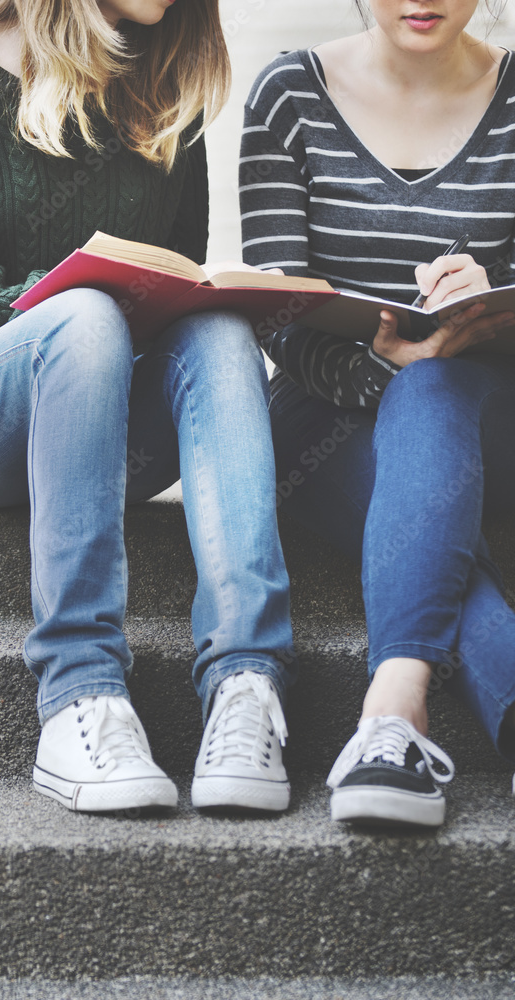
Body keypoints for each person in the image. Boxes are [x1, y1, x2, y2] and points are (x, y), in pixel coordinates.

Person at [0, 0, 296, 814]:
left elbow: (181, 275)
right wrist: (83, 296)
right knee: (87, 317)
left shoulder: (170, 78)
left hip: (98, 417)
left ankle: (248, 687)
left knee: (215, 323)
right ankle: (79, 695)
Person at [240, 0, 515, 827]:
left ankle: (390, 724)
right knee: (420, 424)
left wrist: (485, 310)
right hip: (320, 426)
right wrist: (374, 369)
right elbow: (272, 310)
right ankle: (398, 718)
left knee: (433, 390)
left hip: (481, 417)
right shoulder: (289, 93)